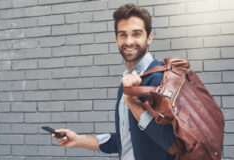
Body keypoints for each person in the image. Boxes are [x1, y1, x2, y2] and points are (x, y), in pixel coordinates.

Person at [53, 3, 176, 160]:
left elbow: (172, 145)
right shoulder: (125, 84)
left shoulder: (159, 79)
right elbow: (125, 141)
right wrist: (78, 140)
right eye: (123, 35)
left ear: (149, 37)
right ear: (116, 39)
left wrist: (133, 102)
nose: (129, 41)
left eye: (137, 34)